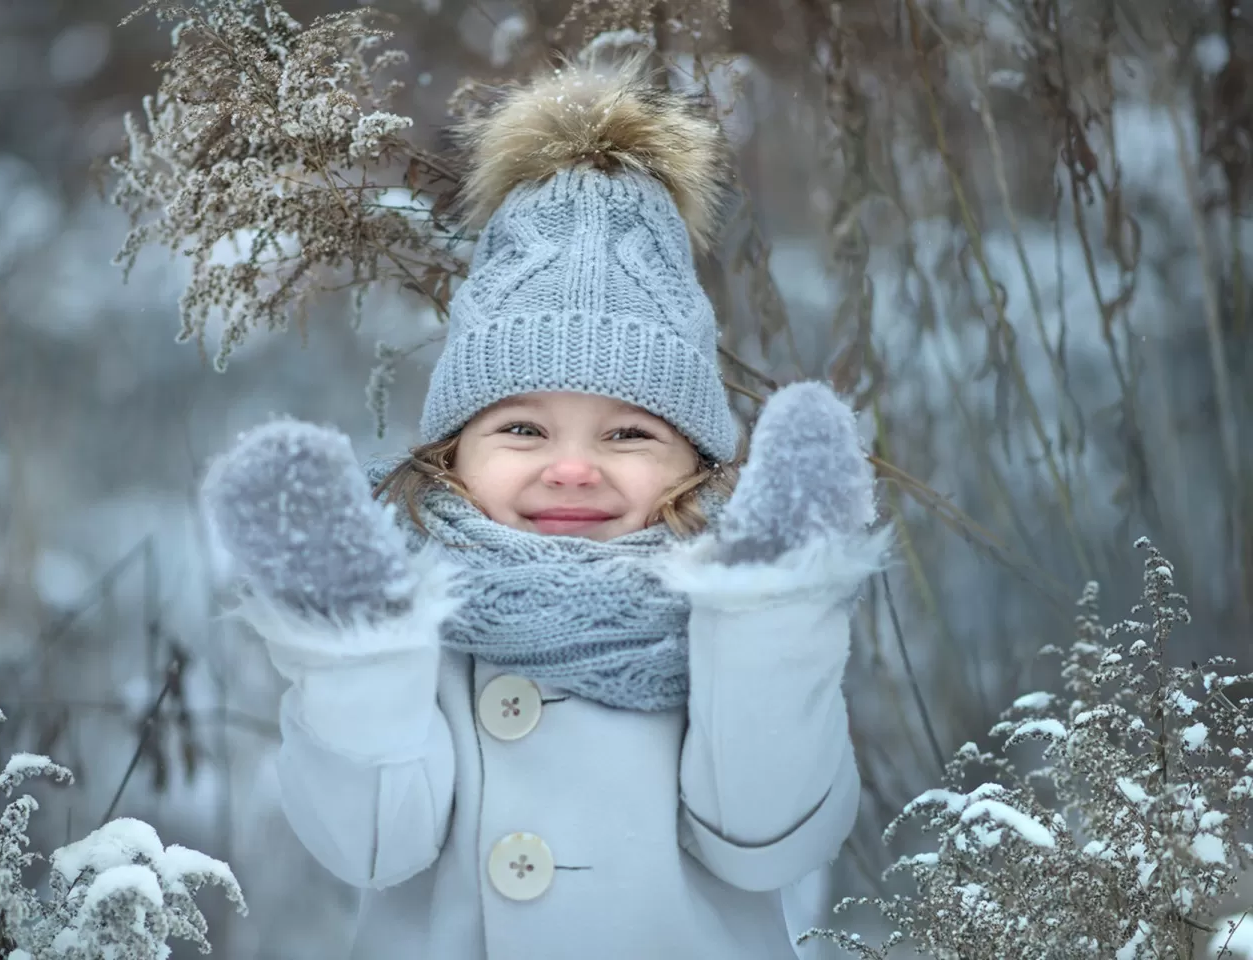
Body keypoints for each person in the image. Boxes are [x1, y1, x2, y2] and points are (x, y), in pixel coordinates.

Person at [200, 57, 889, 960]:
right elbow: (372, 844)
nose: (571, 470)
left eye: (629, 436)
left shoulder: (712, 625)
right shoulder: (428, 631)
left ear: (700, 461)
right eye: (523, 429)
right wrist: (355, 640)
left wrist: (772, 608)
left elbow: (770, 840)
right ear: (452, 453)